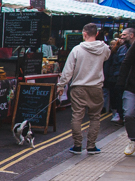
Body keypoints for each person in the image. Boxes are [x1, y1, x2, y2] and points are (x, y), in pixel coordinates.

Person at [58, 23, 112, 154]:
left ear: (84, 34)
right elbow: (107, 56)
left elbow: (68, 70)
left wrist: (61, 85)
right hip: (96, 87)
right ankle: (91, 146)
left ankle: (77, 146)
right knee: (95, 117)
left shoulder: (77, 49)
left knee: (77, 116)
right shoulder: (104, 48)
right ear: (97, 34)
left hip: (79, 87)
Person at [107, 27, 133, 124]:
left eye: (124, 35)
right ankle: (121, 118)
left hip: (131, 82)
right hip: (122, 81)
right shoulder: (122, 49)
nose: (121, 36)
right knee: (122, 104)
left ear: (131, 35)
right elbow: (116, 64)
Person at [117, 35, 135, 156]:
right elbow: (126, 63)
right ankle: (133, 140)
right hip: (132, 87)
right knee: (128, 114)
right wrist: (120, 83)